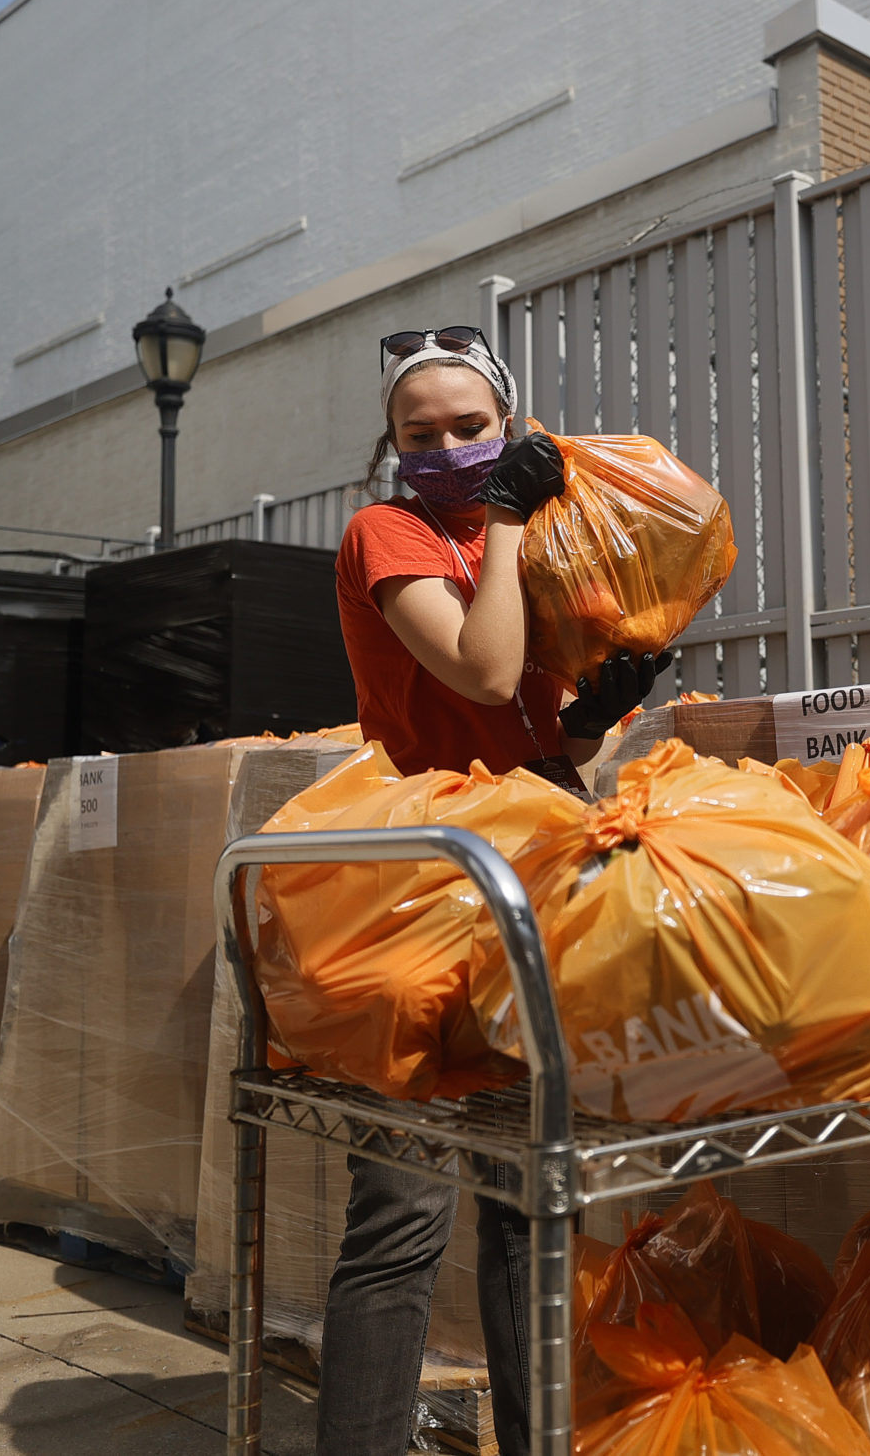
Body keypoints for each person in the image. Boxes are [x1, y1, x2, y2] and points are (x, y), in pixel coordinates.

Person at [319, 323, 669, 1456]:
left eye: (469, 428)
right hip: (423, 888)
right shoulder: (389, 535)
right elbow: (474, 668)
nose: (446, 450)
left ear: (509, 424)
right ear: (390, 446)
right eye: (417, 435)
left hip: (532, 877)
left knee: (528, 1201)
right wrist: (511, 522)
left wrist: (594, 711)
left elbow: (529, 724)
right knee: (403, 1208)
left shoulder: (541, 543)